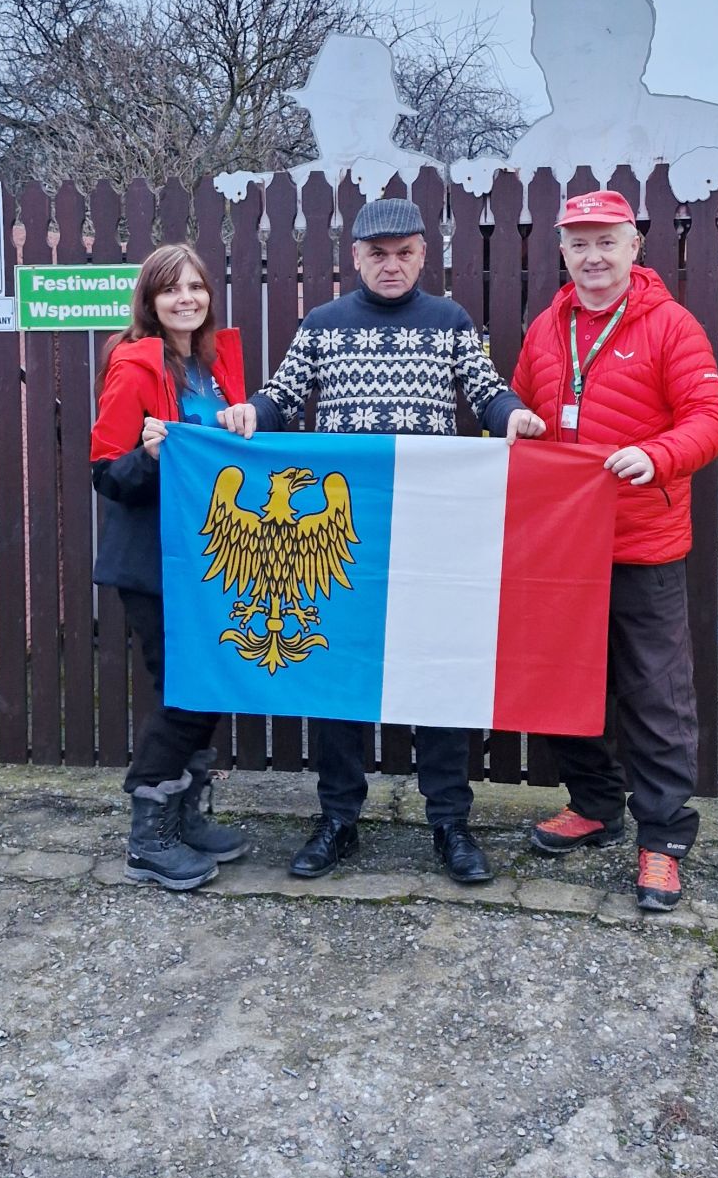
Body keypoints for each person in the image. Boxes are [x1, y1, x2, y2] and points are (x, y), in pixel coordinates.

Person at [218, 196, 545, 884]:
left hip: (432, 528)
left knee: (438, 671)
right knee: (338, 672)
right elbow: (282, 395)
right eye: (377, 254)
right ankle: (338, 818)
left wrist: (513, 414)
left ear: (424, 255)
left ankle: (450, 823)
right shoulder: (322, 322)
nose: (391, 265)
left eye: (404, 253)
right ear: (355, 258)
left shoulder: (450, 320)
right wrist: (251, 410)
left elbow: (486, 390)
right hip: (345, 532)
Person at [509, 189, 718, 911]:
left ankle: (662, 839)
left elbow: (710, 418)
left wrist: (658, 455)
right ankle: (595, 806)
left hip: (643, 543)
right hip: (562, 547)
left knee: (655, 697)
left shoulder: (670, 325)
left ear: (635, 247)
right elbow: (523, 406)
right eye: (579, 243)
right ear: (562, 252)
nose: (593, 256)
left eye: (607, 241)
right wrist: (517, 425)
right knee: (564, 686)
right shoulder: (547, 327)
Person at [91, 244, 250, 890]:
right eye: (171, 289)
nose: (186, 298)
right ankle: (148, 837)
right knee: (183, 691)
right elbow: (107, 474)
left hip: (208, 557)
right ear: (150, 300)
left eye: (196, 287)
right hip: (154, 562)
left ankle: (183, 816)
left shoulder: (214, 366)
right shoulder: (134, 366)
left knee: (208, 685)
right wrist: (149, 454)